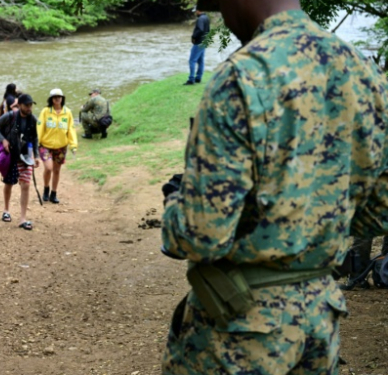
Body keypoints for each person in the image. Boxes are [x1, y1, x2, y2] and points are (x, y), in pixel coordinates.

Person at [160, 0, 388, 374]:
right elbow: (381, 208)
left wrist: (175, 202)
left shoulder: (242, 76)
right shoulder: (364, 72)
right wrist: (315, 226)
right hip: (319, 320)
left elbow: (199, 235)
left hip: (239, 324)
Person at [0, 93, 40, 230]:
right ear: (20, 106)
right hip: (10, 155)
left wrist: (36, 156)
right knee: (9, 183)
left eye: (31, 105)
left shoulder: (33, 120)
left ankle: (23, 218)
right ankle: (6, 210)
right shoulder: (10, 116)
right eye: (27, 105)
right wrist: (4, 140)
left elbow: (35, 138)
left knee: (25, 185)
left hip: (26, 156)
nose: (29, 108)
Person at [36, 88, 77, 204]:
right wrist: (37, 142)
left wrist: (73, 145)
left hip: (61, 146)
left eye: (59, 97)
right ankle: (46, 189)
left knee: (57, 170)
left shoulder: (67, 112)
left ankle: (53, 193)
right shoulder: (45, 111)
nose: (57, 99)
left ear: (62, 98)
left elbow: (71, 129)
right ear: (51, 99)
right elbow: (40, 127)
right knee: (49, 168)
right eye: (55, 97)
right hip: (46, 145)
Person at [184, 8, 210, 85]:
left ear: (199, 10)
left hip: (198, 42)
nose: (195, 12)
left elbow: (200, 30)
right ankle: (198, 78)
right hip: (204, 41)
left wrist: (193, 37)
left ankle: (191, 79)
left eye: (196, 11)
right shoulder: (206, 18)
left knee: (192, 60)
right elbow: (208, 30)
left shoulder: (200, 19)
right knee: (200, 61)